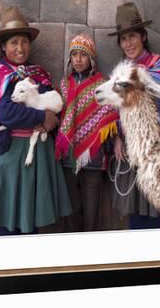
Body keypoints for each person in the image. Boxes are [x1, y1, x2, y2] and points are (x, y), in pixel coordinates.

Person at [0, 6, 72, 235]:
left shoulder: (38, 75)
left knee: (31, 219)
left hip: (36, 155)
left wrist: (54, 119)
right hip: (10, 156)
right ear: (3, 46)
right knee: (10, 221)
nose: (20, 48)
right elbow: (5, 113)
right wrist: (42, 116)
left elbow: (53, 102)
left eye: (23, 42)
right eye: (13, 43)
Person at [108, 2, 160, 229]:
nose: (128, 43)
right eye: (123, 39)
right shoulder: (122, 72)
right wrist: (118, 137)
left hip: (157, 148)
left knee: (153, 211)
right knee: (136, 211)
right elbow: (118, 110)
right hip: (133, 151)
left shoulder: (159, 66)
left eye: (132, 37)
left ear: (143, 37)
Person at [54, 34, 123, 232]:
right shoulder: (64, 85)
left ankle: (90, 245)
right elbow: (61, 114)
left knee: (91, 206)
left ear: (91, 59)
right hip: (68, 156)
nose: (77, 59)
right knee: (71, 207)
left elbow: (112, 114)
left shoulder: (103, 84)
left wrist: (117, 138)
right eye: (74, 55)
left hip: (94, 154)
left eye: (83, 55)